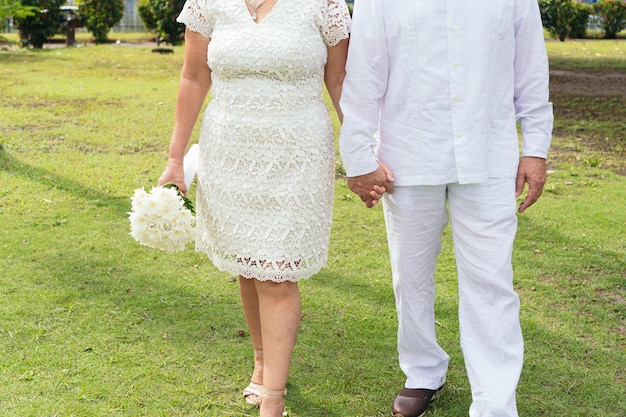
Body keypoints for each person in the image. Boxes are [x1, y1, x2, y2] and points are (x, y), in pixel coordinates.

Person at [339, 1, 553, 416]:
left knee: (492, 282)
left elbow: (530, 67)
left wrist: (537, 150)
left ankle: (494, 404)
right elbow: (363, 74)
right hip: (408, 154)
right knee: (411, 275)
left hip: (489, 155)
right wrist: (359, 158)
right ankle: (423, 370)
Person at [157, 1, 350, 416]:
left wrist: (363, 152)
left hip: (296, 155)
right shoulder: (206, 4)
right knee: (249, 263)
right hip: (229, 152)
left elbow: (340, 79)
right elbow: (193, 77)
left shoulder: (325, 4)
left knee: (277, 273)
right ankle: (262, 362)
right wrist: (175, 159)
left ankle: (273, 402)